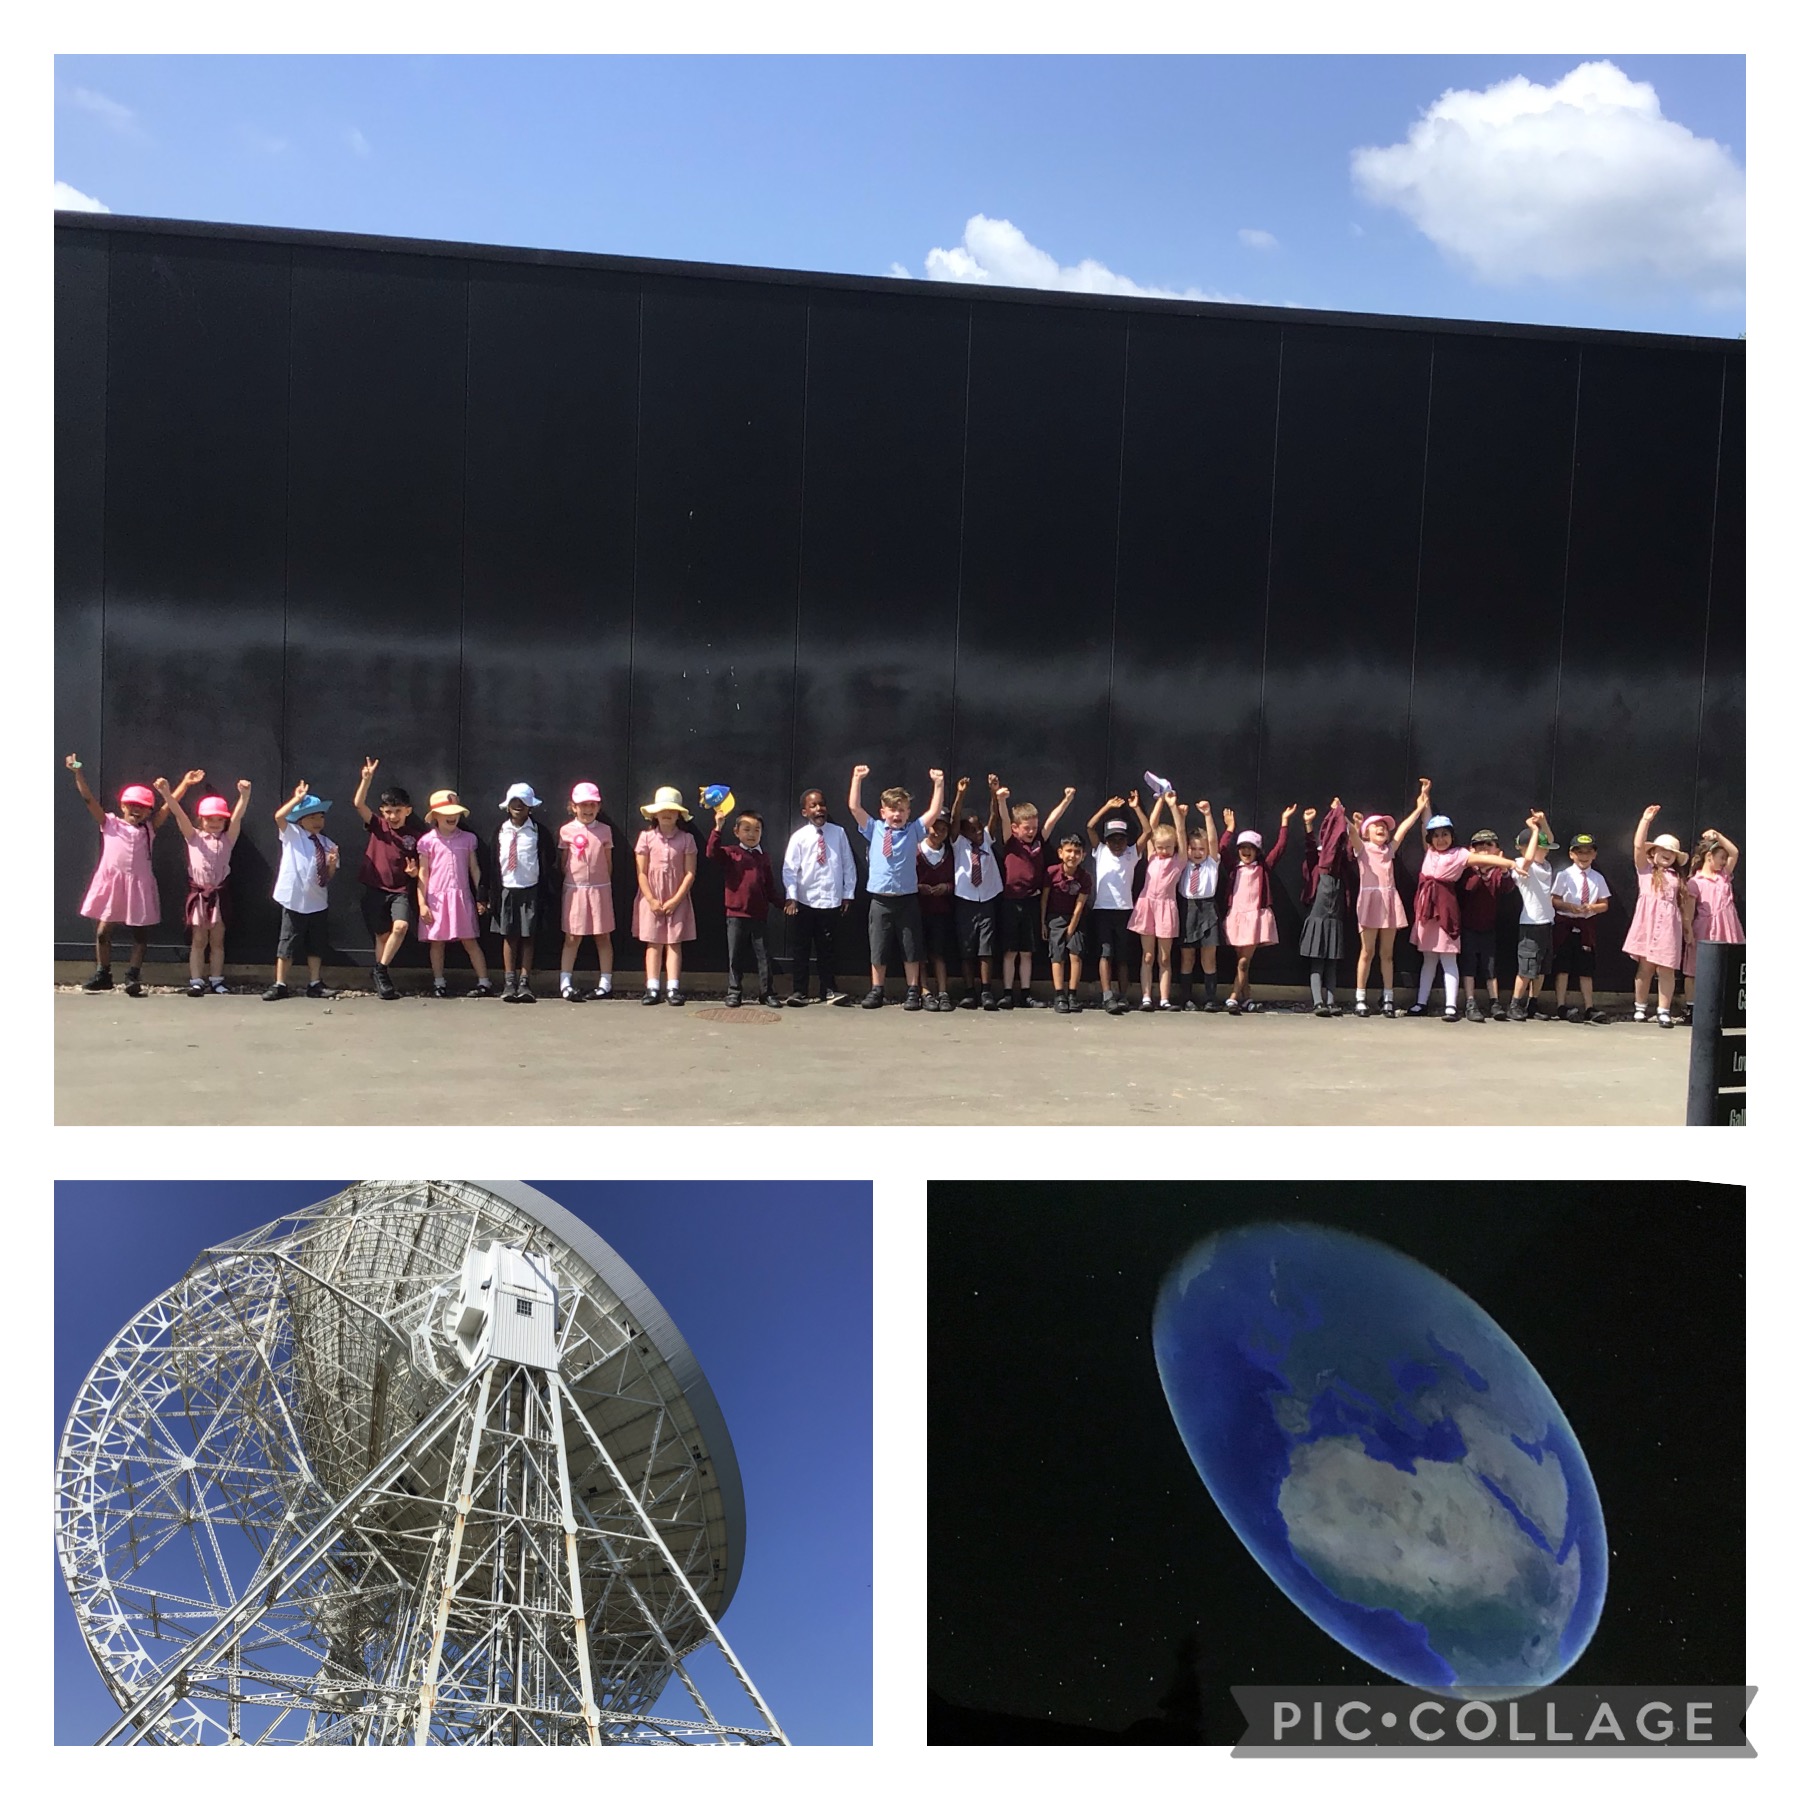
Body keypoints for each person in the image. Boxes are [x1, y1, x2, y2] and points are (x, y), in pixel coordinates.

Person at [68, 755, 198, 995]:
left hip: (138, 884)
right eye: (132, 805)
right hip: (113, 883)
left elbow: (167, 807)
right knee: (102, 931)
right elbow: (88, 799)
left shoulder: (149, 829)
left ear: (148, 812)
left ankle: (132, 976)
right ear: (123, 806)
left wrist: (185, 784)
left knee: (140, 932)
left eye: (142, 807)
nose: (136, 810)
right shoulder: (109, 823)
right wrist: (78, 773)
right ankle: (103, 973)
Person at [849, 762, 946, 1010]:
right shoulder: (874, 829)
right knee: (878, 946)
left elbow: (934, 813)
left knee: (911, 946)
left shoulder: (913, 831)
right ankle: (877, 990)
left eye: (902, 810)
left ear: (908, 812)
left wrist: (938, 784)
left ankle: (913, 990)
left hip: (907, 900)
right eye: (892, 810)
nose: (897, 814)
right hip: (880, 900)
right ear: (883, 812)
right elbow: (854, 807)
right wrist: (857, 779)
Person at [158, 776, 251, 995]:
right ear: (200, 820)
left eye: (219, 819)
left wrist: (244, 796)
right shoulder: (193, 837)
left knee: (218, 940)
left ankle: (217, 980)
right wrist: (166, 794)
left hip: (219, 896)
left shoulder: (228, 839)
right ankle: (196, 980)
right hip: (199, 896)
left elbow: (237, 818)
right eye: (210, 819)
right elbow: (179, 815)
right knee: (199, 940)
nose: (215, 823)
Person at [1350, 780, 1429, 1017]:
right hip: (1369, 904)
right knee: (1367, 952)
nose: (1382, 828)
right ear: (1367, 832)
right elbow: (1352, 834)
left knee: (1387, 953)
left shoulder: (1389, 850)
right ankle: (1360, 998)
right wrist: (1345, 818)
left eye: (1385, 826)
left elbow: (1403, 829)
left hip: (1389, 904)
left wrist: (1419, 807)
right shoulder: (1362, 849)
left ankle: (1388, 998)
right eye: (1377, 826)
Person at [995, 786, 1076, 1007]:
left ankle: (1026, 994)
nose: (1031, 831)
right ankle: (1008, 993)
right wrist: (1001, 800)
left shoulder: (1040, 841)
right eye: (1027, 828)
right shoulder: (1010, 841)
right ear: (1015, 828)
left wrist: (1067, 799)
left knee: (1027, 952)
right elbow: (1003, 819)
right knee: (1010, 951)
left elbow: (1052, 820)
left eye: (1034, 827)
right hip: (1011, 901)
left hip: (1032, 900)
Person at [352, 758, 424, 1000]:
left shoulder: (416, 836)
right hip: (374, 888)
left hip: (400, 890)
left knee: (401, 926)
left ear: (408, 811)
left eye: (398, 811)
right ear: (383, 811)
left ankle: (380, 971)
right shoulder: (378, 826)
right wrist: (366, 779)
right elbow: (358, 803)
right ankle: (382, 979)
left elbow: (420, 866)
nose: (393, 816)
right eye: (389, 811)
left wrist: (415, 874)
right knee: (382, 936)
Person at [264, 781, 339, 1001]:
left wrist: (331, 864)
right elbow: (279, 817)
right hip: (294, 899)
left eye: (321, 817)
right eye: (312, 817)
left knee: (316, 943)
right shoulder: (292, 834)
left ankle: (315, 982)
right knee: (287, 941)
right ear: (301, 819)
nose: (318, 822)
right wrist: (296, 799)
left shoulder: (327, 843)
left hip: (317, 901)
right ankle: (280, 983)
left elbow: (328, 877)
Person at [781, 788, 856, 1006]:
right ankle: (799, 991)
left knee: (828, 948)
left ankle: (829, 990)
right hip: (805, 900)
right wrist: (792, 897)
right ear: (805, 812)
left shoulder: (839, 833)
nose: (818, 809)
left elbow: (848, 865)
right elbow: (790, 869)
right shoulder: (799, 837)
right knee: (801, 948)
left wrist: (847, 894)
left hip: (831, 900)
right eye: (813, 806)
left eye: (821, 805)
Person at [1218, 804, 1296, 1013]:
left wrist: (1284, 822)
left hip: (1255, 918)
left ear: (1257, 851)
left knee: (1244, 961)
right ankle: (1248, 998)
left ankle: (1233, 997)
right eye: (1243, 847)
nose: (1245, 851)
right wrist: (1230, 828)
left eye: (1250, 848)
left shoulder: (1263, 868)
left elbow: (1280, 847)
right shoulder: (1234, 868)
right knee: (1242, 963)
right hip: (1236, 916)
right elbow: (1222, 848)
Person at [416, 790, 493, 998]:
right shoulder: (427, 841)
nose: (452, 816)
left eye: (455, 811)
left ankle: (484, 981)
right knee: (437, 942)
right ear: (435, 816)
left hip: (461, 897)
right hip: (437, 899)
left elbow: (474, 868)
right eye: (446, 812)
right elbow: (423, 873)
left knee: (469, 940)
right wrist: (422, 903)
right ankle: (439, 982)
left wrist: (481, 895)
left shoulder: (468, 839)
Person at [705, 797, 781, 1008]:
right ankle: (734, 992)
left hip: (759, 914)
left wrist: (782, 903)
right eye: (746, 829)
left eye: (756, 830)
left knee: (764, 957)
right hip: (736, 914)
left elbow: (770, 887)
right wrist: (718, 828)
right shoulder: (731, 853)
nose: (751, 834)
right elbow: (711, 852)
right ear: (737, 832)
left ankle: (767, 993)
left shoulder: (763, 857)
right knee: (735, 957)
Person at [487, 783, 557, 1003]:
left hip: (531, 888)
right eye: (514, 802)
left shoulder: (538, 832)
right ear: (507, 806)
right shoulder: (500, 831)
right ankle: (509, 981)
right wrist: (487, 894)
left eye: (523, 802)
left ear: (530, 807)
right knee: (509, 935)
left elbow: (548, 859)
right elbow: (492, 863)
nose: (518, 806)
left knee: (528, 935)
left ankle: (525, 981)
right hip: (507, 888)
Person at [1622, 804, 1688, 1029]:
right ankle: (1640, 1007)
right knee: (1646, 967)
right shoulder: (1646, 871)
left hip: (1669, 926)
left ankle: (1664, 1010)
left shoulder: (1677, 877)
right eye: (1663, 851)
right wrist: (1645, 820)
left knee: (1667, 968)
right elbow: (1638, 846)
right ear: (1654, 852)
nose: (1667, 855)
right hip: (1647, 923)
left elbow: (1685, 903)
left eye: (1671, 853)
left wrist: (1687, 928)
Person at [1407, 787, 1470, 1022]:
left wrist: (1511, 864)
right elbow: (1425, 824)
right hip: (1426, 911)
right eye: (1436, 835)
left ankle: (1451, 1006)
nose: (1440, 839)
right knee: (1428, 959)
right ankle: (1421, 1002)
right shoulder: (1430, 853)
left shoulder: (1460, 855)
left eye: (1445, 834)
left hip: (1445, 911)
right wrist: (1425, 800)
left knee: (1448, 959)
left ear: (1452, 835)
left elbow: (1485, 858)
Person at [635, 787, 700, 1005]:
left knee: (674, 943)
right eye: (663, 810)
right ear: (655, 813)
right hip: (651, 897)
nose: (667, 814)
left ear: (679, 814)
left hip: (677, 897)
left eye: (672, 810)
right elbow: (641, 873)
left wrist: (675, 900)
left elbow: (690, 873)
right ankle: (652, 987)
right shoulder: (645, 838)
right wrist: (652, 900)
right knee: (653, 943)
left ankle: (673, 988)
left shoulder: (687, 839)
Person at [1086, 792, 1148, 1015]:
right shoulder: (1100, 851)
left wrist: (1136, 808)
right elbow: (1090, 827)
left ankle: (1123, 996)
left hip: (1125, 911)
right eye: (1113, 839)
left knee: (1123, 956)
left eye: (1121, 839)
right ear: (1107, 840)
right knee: (1105, 953)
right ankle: (1107, 995)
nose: (1117, 843)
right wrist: (1107, 807)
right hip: (1102, 910)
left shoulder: (1132, 853)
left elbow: (1148, 831)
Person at [946, 774, 1004, 1011]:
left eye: (979, 828)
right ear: (963, 831)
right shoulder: (958, 844)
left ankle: (987, 991)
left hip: (987, 900)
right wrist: (960, 794)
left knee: (986, 949)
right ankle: (969, 991)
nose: (978, 832)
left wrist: (993, 792)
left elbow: (995, 816)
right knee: (967, 948)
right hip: (965, 901)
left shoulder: (987, 842)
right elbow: (952, 819)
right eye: (971, 829)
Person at [1127, 788, 1184, 1012]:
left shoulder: (1179, 861)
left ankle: (1164, 999)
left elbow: (1180, 831)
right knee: (1148, 955)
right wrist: (1159, 801)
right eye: (1160, 847)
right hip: (1147, 905)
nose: (1162, 851)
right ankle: (1146, 997)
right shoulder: (1151, 855)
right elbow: (1150, 828)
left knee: (1164, 957)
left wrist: (1172, 805)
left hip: (1167, 907)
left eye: (1167, 847)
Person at [558, 782, 615, 1001]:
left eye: (592, 804)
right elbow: (564, 862)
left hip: (600, 890)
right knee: (572, 937)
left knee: (603, 936)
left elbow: (608, 863)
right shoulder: (566, 831)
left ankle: (606, 983)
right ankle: (565, 983)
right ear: (573, 807)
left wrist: (602, 883)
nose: (588, 809)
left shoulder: (605, 831)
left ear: (598, 807)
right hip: (575, 891)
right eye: (583, 805)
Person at [1549, 833, 1612, 1023]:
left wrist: (1591, 907)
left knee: (1586, 968)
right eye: (1579, 852)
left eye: (1588, 852)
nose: (1584, 856)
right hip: (1566, 924)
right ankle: (1560, 1005)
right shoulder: (1564, 875)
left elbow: (1605, 904)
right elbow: (1554, 899)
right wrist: (1570, 907)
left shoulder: (1598, 878)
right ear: (1571, 854)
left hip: (1586, 926)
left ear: (1594, 854)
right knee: (1563, 967)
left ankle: (1589, 1007)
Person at [1297, 797, 1351, 1017]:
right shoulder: (1316, 865)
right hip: (1318, 917)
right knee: (1317, 961)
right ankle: (1318, 1002)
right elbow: (1310, 848)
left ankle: (1331, 1001)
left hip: (1334, 918)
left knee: (1332, 962)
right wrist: (1308, 825)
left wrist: (1344, 817)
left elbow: (1346, 847)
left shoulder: (1340, 870)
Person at [1504, 812, 1558, 1021]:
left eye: (1545, 849)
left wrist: (1542, 822)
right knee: (1527, 967)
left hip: (1547, 923)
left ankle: (1532, 1005)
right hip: (1531, 924)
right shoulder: (1520, 865)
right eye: (1540, 847)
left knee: (1542, 967)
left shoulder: (1546, 866)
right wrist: (1534, 830)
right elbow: (1527, 858)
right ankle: (1514, 1005)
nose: (1545, 851)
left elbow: (1550, 840)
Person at [1684, 831, 1745, 996]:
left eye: (1725, 859)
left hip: (1728, 928)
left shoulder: (1723, 876)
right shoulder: (1695, 882)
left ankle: (1723, 1005)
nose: (1724, 862)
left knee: (1727, 967)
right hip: (1705, 930)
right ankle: (1692, 1007)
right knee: (1695, 969)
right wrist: (1688, 931)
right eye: (1721, 858)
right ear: (1709, 856)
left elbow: (1735, 852)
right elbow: (1689, 910)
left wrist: (1718, 836)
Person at [1458, 830, 1511, 1021]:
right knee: (1469, 965)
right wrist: (1480, 871)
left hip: (1489, 927)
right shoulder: (1467, 871)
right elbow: (1469, 889)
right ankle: (1470, 1002)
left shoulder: (1498, 873)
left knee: (1490, 966)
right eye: (1479, 846)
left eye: (1489, 845)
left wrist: (1504, 870)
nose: (1484, 850)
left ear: (1498, 851)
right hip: (1469, 927)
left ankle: (1494, 1001)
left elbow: (1507, 889)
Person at [1041, 830, 1092, 1014]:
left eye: (1077, 852)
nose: (1073, 855)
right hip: (1055, 917)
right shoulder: (1051, 872)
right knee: (1057, 954)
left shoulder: (1085, 877)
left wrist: (1071, 928)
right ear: (1061, 853)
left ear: (1083, 855)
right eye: (1069, 851)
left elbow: (1080, 905)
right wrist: (1043, 923)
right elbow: (1044, 899)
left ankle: (1072, 994)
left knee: (1075, 954)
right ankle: (1059, 994)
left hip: (1075, 919)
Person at [917, 811, 959, 1012]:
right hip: (918, 910)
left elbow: (958, 880)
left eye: (944, 829)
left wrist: (947, 887)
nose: (938, 832)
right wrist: (919, 887)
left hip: (941, 911)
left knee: (939, 953)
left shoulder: (950, 854)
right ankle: (925, 992)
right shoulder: (916, 851)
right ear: (927, 828)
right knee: (920, 954)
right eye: (935, 827)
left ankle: (943, 992)